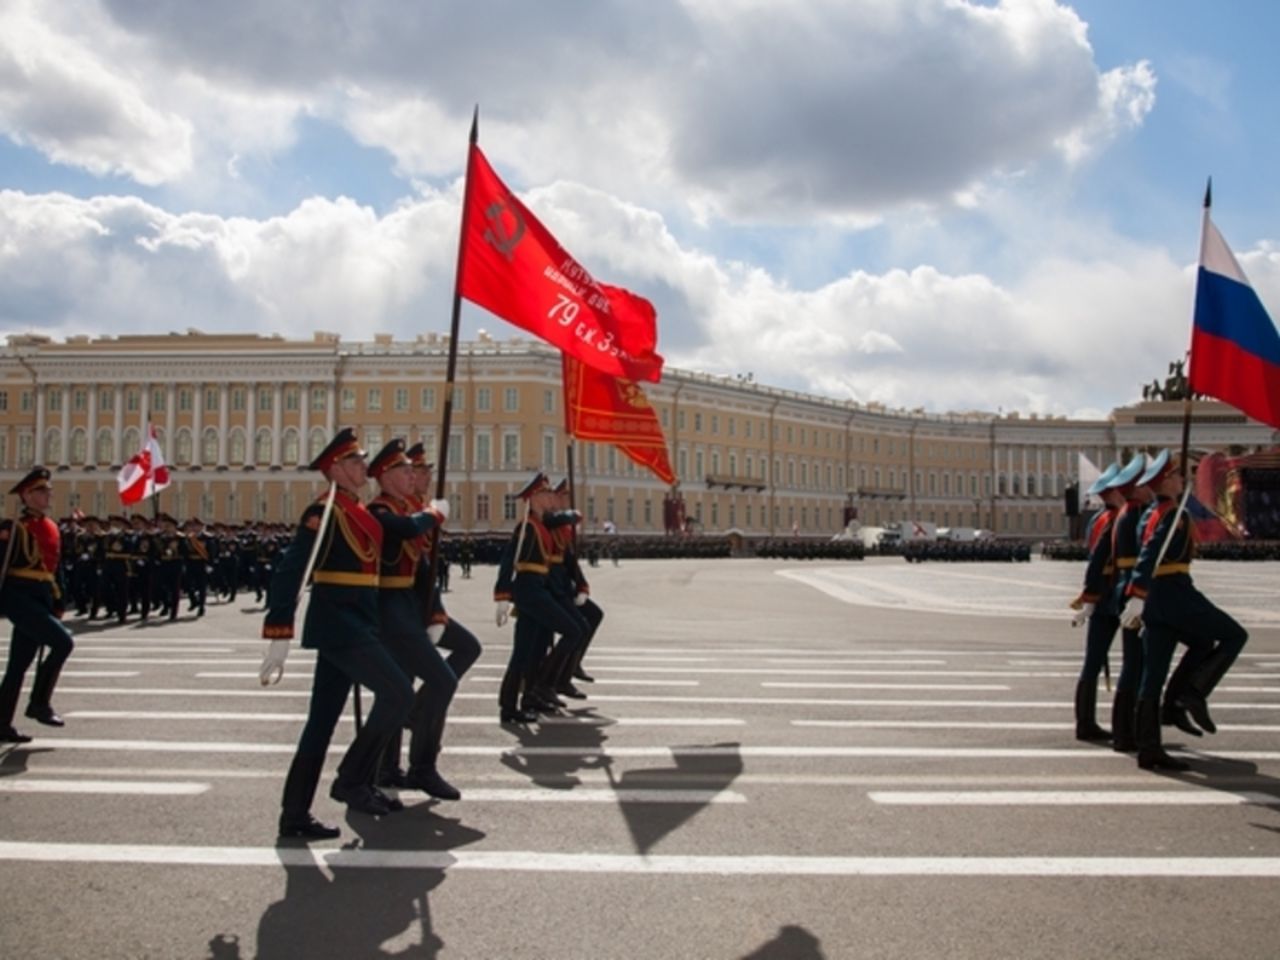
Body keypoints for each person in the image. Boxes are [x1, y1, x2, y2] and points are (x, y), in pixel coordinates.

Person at [259, 427, 414, 839]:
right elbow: (291, 570)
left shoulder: (353, 508)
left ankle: (294, 814)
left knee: (321, 723)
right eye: (355, 461)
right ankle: (351, 779)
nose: (364, 466)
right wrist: (279, 628)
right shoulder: (325, 511)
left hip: (358, 622)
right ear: (335, 469)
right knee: (399, 693)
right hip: (339, 625)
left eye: (362, 460)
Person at [1125, 449, 1249, 771]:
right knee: (1235, 635)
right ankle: (1192, 692)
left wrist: (1140, 596)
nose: (1184, 478)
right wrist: (1136, 592)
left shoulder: (1151, 514)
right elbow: (1149, 555)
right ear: (1166, 481)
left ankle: (1150, 745)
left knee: (1156, 673)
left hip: (1156, 600)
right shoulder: (1171, 515)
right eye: (1179, 474)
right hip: (1175, 594)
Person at [365, 438, 462, 801]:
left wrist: (434, 611)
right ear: (386, 476)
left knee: (405, 688)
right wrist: (435, 514)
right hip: (391, 609)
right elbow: (406, 532)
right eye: (408, 470)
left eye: (415, 470)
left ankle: (390, 766)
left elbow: (423, 569)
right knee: (433, 683)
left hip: (410, 604)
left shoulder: (408, 508)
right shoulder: (380, 510)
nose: (415, 476)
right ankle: (416, 766)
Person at [493, 473, 587, 724]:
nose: (550, 498)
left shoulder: (543, 523)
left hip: (539, 588)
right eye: (544, 494)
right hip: (528, 590)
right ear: (533, 498)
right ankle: (538, 687)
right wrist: (502, 594)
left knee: (528, 650)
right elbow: (508, 561)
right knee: (572, 631)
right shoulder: (527, 526)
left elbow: (565, 518)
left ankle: (519, 701)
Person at [0, 468, 76, 743]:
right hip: (19, 596)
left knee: (18, 665)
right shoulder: (13, 527)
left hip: (42, 597)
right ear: (26, 495)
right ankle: (39, 704)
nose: (48, 494)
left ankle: (1, 723)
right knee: (64, 643)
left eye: (48, 490)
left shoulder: (52, 526)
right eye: (41, 491)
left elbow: (56, 569)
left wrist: (59, 600)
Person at [1068, 461, 1122, 742]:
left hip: (1100, 595)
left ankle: (1085, 721)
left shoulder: (1096, 519)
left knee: (1093, 660)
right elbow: (1102, 562)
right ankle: (1096, 723)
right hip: (1112, 595)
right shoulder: (1115, 519)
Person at [1104, 453, 1153, 751]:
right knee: (1135, 663)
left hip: (1125, 588)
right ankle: (1125, 731)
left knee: (1132, 663)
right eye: (1143, 482)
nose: (1149, 486)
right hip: (1132, 590)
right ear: (1135, 487)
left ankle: (1124, 729)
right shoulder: (1135, 514)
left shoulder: (1128, 513)